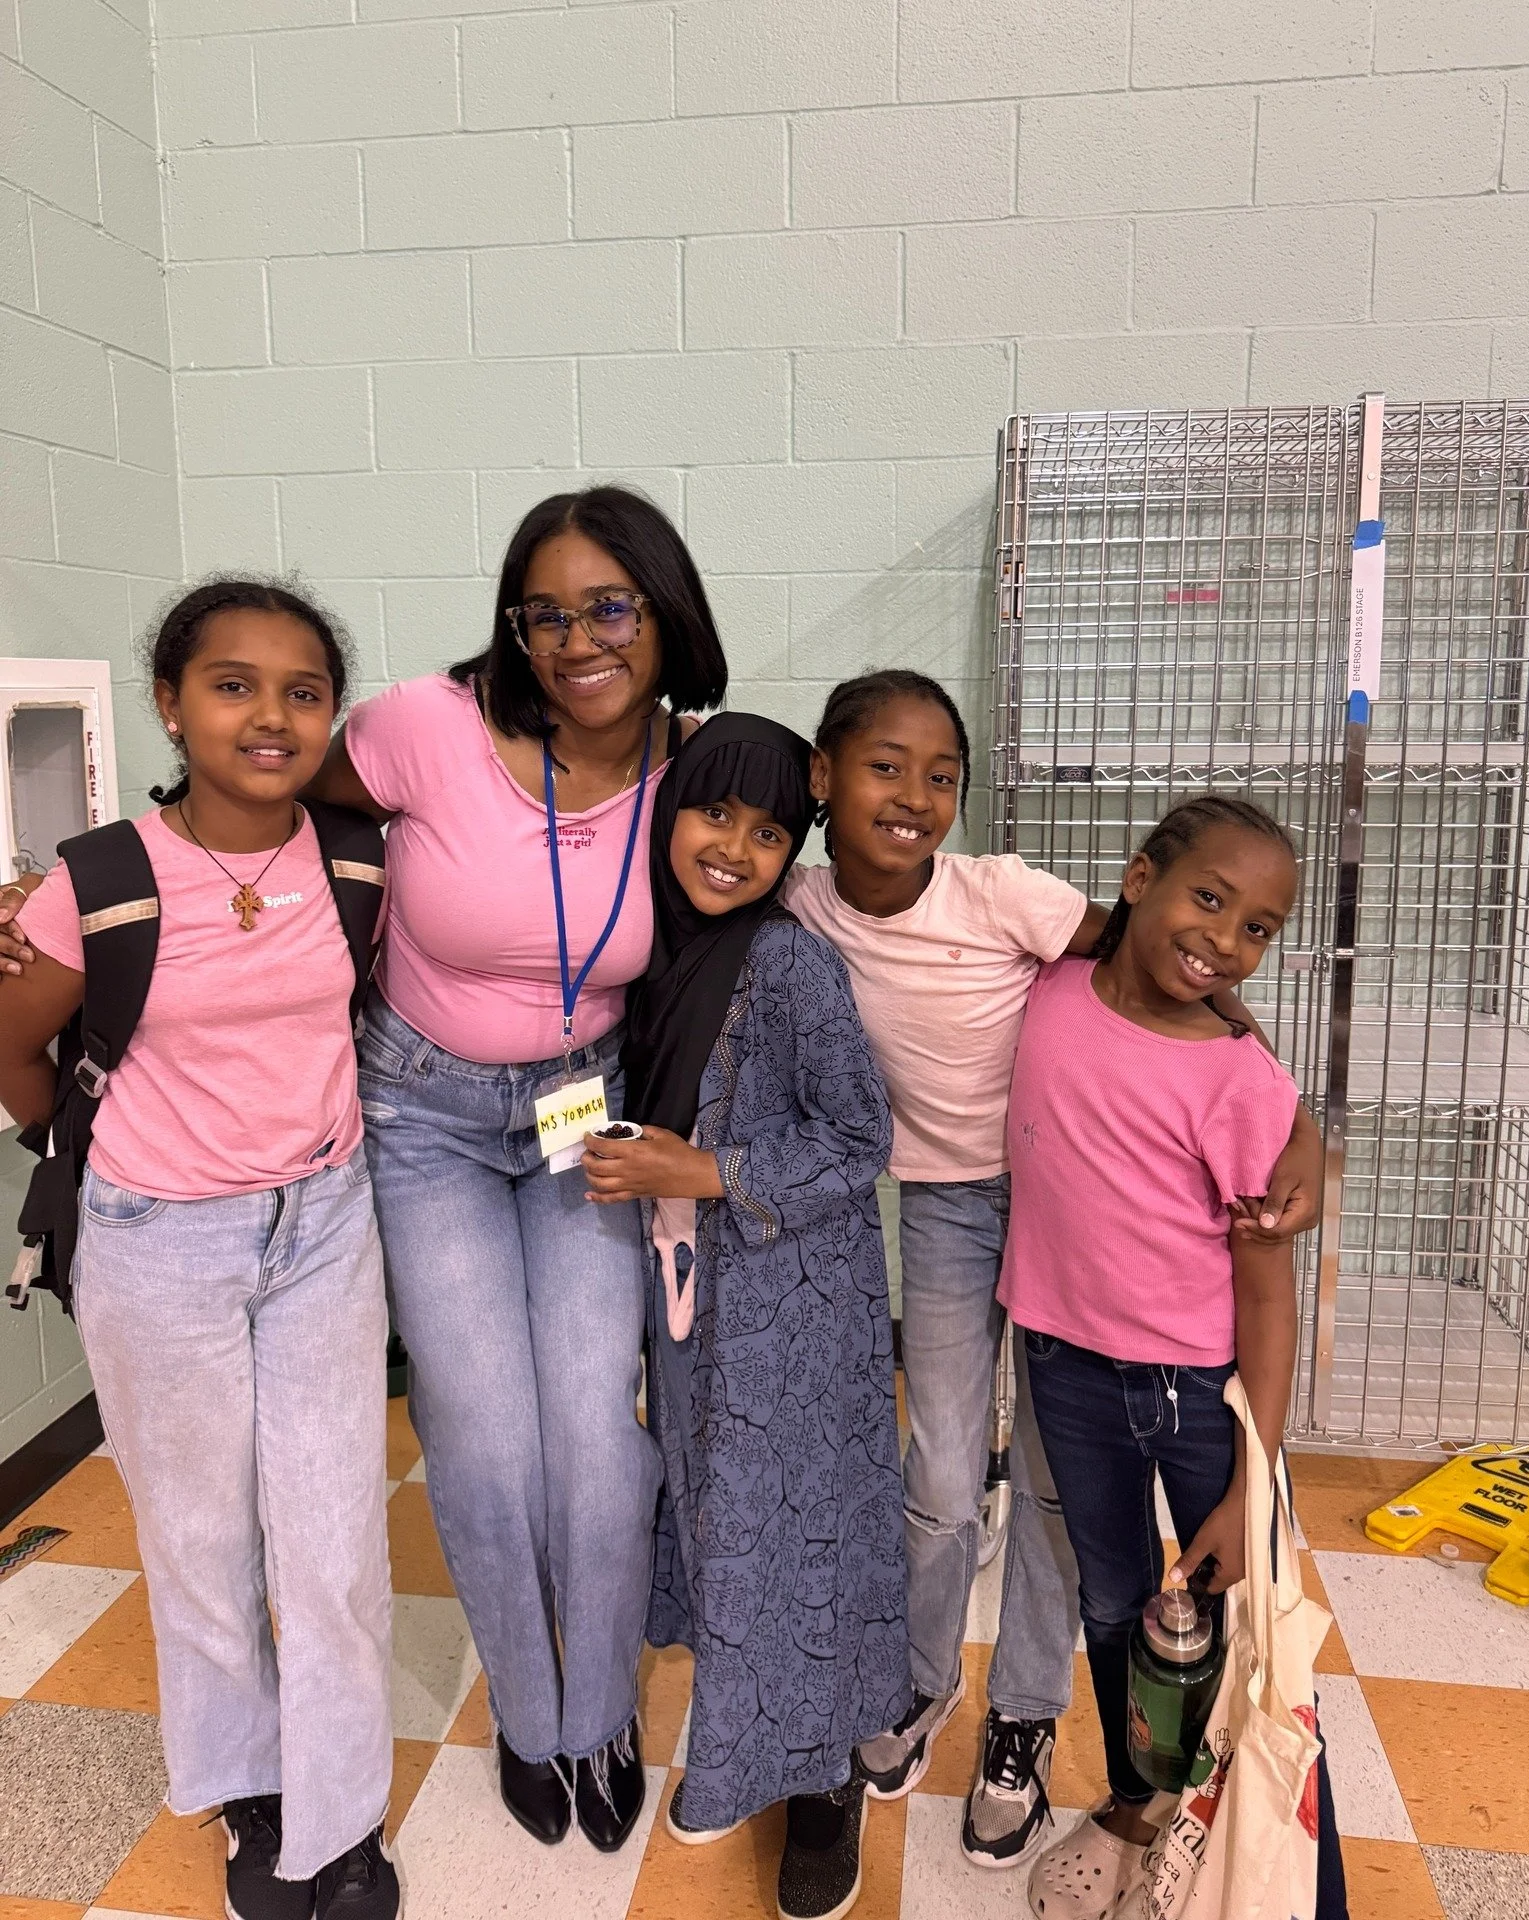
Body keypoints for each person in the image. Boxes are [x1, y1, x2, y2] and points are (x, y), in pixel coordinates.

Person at [783, 671, 1323, 1870]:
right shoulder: (803, 904)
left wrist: (1297, 1124)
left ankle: (1020, 1720)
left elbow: (1181, 984)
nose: (916, 796)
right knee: (936, 1467)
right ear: (827, 777)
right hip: (945, 1209)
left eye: (941, 777)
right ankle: (920, 1680)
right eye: (884, 768)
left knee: (1048, 1498)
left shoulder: (1011, 898)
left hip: (1065, 1210)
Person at [297, 486, 727, 1853]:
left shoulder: (698, 766)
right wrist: (67, 898)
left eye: (611, 607)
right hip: (422, 1115)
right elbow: (249, 807)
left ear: (664, 615)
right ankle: (531, 1722)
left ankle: (601, 1709)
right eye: (544, 612)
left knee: (597, 1436)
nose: (575, 639)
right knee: (483, 1439)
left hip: (582, 1125)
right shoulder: (426, 727)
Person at [0, 582, 398, 1920]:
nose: (268, 715)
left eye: (300, 690)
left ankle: (340, 1818)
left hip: (325, 1230)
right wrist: (85, 1148)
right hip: (154, 1246)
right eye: (231, 685)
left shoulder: (351, 859)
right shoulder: (97, 883)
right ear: (170, 704)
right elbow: (12, 1044)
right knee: (201, 1541)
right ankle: (249, 1793)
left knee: (335, 1542)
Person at [581, 713, 908, 1920]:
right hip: (697, 1296)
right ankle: (763, 1740)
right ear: (667, 813)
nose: (736, 848)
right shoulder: (643, 946)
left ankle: (822, 1790)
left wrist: (706, 1175)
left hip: (793, 1306)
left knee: (796, 1541)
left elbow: (859, 1137)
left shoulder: (788, 963)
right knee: (728, 1525)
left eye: (770, 832)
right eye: (715, 815)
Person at [999, 796, 1348, 1919]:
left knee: (1246, 1631)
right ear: (1138, 877)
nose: (1228, 937)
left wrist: (1256, 1478)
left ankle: (1292, 1872)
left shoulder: (1239, 1082)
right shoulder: (1045, 988)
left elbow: (1265, 1284)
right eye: (1211, 898)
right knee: (1117, 1607)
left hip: (1198, 1399)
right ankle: (1146, 1805)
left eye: (1258, 928)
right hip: (1062, 1367)